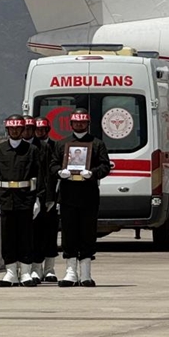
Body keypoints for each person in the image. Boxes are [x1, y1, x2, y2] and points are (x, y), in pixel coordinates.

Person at [52, 109, 111, 287]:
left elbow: (105, 166)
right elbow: (52, 164)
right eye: (76, 123)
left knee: (87, 233)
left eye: (82, 122)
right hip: (68, 195)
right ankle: (70, 271)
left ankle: (86, 272)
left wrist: (92, 173)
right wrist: (59, 172)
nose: (79, 125)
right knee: (69, 233)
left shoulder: (97, 144)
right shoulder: (62, 144)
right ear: (71, 124)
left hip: (89, 196)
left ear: (88, 124)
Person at [0, 116, 47, 286]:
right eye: (11, 129)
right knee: (8, 237)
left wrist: (38, 198)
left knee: (26, 236)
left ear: (23, 130)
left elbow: (40, 175)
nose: (14, 131)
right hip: (6, 199)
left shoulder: (32, 150)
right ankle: (11, 272)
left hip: (25, 198)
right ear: (7, 130)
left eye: (18, 129)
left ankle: (26, 272)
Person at [30, 117, 60, 282]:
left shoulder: (56, 147)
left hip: (52, 196)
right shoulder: (31, 148)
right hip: (36, 196)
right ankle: (36, 268)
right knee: (35, 234)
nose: (40, 133)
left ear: (48, 130)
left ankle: (50, 268)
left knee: (51, 233)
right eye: (37, 130)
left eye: (43, 130)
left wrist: (55, 198)